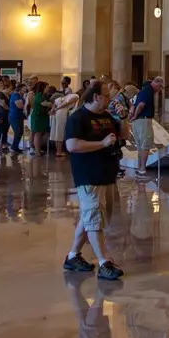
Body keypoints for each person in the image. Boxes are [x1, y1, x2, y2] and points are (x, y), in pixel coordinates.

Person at [62, 80, 126, 281]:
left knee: (91, 216)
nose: (111, 99)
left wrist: (123, 117)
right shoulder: (78, 118)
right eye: (107, 96)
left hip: (107, 174)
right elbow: (72, 145)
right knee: (94, 218)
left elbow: (123, 135)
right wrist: (102, 143)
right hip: (88, 175)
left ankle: (73, 256)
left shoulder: (106, 116)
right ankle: (104, 262)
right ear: (96, 96)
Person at [128, 76, 158, 170]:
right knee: (145, 145)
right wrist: (135, 116)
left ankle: (139, 167)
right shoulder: (148, 91)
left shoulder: (140, 92)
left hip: (137, 122)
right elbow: (141, 106)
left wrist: (132, 116)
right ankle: (142, 169)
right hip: (143, 120)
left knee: (140, 146)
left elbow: (133, 107)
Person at [28, 81, 52, 156]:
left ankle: (37, 149)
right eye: (47, 87)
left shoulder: (42, 95)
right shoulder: (39, 95)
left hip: (41, 117)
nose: (48, 88)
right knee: (37, 134)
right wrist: (51, 105)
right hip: (38, 117)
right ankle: (37, 151)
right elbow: (47, 104)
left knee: (40, 133)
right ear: (42, 88)